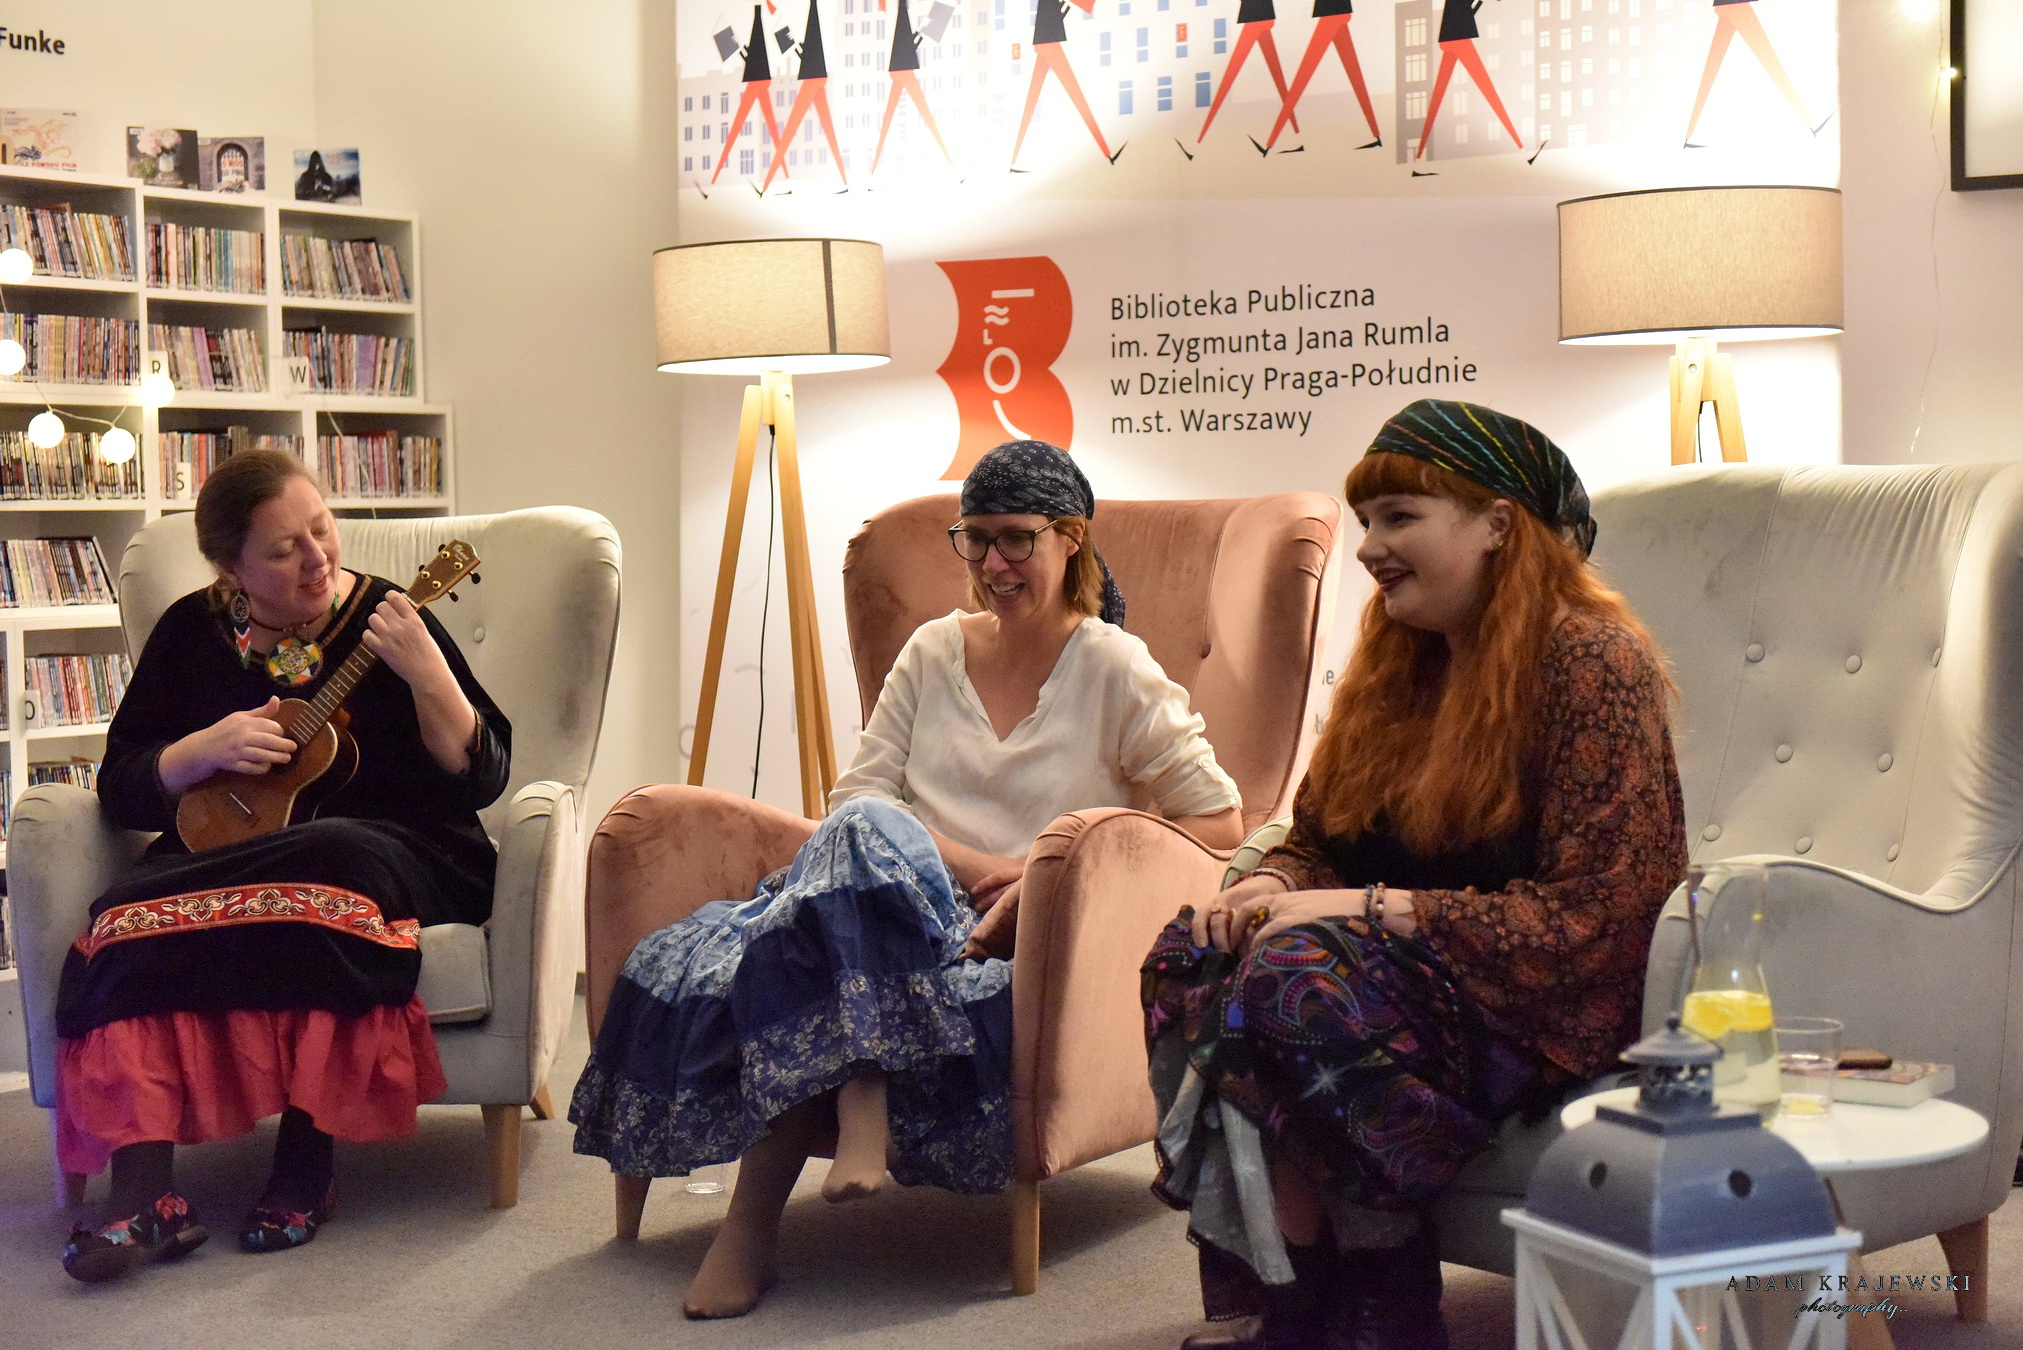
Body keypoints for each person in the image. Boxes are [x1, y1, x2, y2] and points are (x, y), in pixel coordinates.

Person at [571, 439, 1244, 1319]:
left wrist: (1045, 873)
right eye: (976, 540)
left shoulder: (1113, 667)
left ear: (1070, 537)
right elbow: (855, 797)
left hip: (1003, 931)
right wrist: (968, 861)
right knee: (862, 825)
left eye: (1016, 539)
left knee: (822, 919)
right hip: (880, 898)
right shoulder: (933, 650)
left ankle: (752, 1224)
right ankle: (863, 1088)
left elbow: (1218, 824)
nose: (993, 565)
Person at [1143, 399, 1686, 1350]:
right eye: (1366, 521)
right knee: (1195, 952)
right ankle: (1293, 1290)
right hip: (1395, 977)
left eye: (1399, 517)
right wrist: (1274, 885)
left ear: (1498, 525)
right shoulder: (1395, 663)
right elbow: (1321, 835)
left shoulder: (1593, 661)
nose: (1368, 549)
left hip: (1536, 999)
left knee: (1295, 977)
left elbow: (1602, 915)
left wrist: (1368, 910)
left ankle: (1383, 1291)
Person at [54, 449, 511, 1281]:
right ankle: (144, 1200)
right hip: (237, 858)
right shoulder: (191, 632)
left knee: (331, 857)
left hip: (398, 847)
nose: (316, 558)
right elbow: (121, 787)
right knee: (124, 912)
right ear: (231, 570)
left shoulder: (390, 614)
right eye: (283, 549)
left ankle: (304, 1167)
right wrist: (198, 751)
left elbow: (483, 777)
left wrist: (429, 674)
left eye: (321, 529)